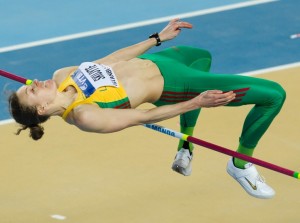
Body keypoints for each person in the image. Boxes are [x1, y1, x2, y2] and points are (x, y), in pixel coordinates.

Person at [8, 18, 285, 199]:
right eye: (32, 91)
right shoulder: (85, 115)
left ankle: (185, 147)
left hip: (164, 61)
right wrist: (195, 101)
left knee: (203, 56)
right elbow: (145, 116)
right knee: (274, 95)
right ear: (42, 108)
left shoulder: (61, 75)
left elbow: (111, 59)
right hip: (176, 85)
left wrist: (157, 38)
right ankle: (240, 164)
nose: (35, 82)